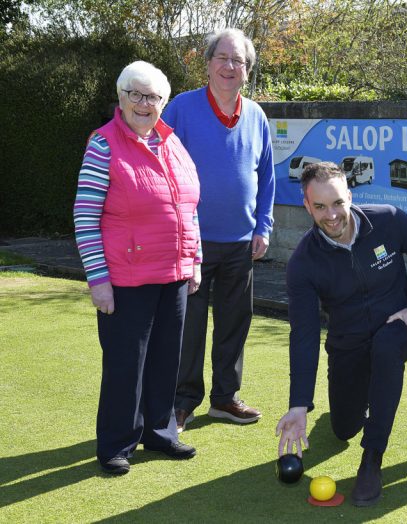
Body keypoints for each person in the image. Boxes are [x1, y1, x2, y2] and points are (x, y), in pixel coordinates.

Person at [275, 162, 407, 507]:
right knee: (343, 429)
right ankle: (357, 402)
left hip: (396, 326)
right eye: (319, 206)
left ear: (350, 196)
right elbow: (304, 334)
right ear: (307, 206)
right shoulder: (303, 264)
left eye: (337, 203)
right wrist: (298, 404)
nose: (331, 215)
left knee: (385, 349)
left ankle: (372, 459)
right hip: (347, 343)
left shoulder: (387, 219)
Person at [73, 61, 201, 474]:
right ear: (121, 97)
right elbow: (85, 216)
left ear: (164, 102)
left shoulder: (173, 142)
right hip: (125, 279)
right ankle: (116, 443)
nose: (145, 104)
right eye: (136, 94)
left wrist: (194, 260)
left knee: (166, 359)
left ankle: (161, 433)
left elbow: (189, 208)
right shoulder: (103, 144)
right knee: (126, 364)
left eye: (154, 97)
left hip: (174, 273)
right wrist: (98, 281)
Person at [162, 28, 276, 432]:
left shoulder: (258, 116)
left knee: (234, 324)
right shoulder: (181, 107)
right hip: (191, 243)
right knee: (188, 327)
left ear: (248, 71)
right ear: (208, 63)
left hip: (241, 244)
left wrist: (264, 225)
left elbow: (267, 177)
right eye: (222, 58)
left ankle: (225, 399)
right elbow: (158, 164)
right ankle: (183, 401)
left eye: (239, 61)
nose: (230, 66)